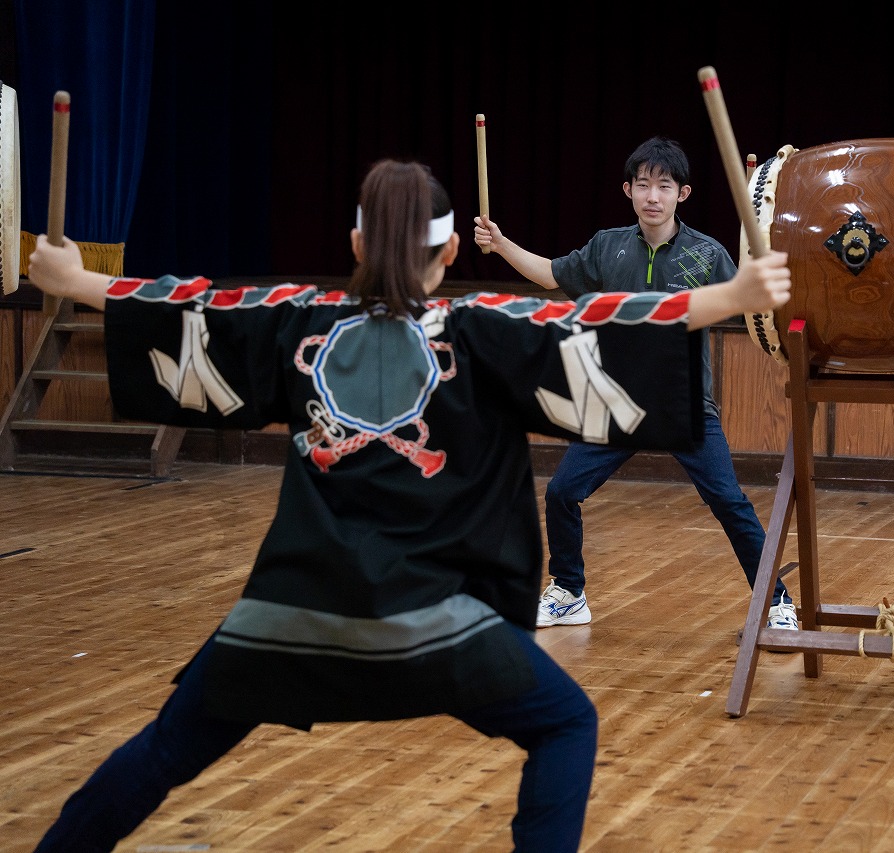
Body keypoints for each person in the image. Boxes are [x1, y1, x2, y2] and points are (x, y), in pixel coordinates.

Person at [25, 158, 792, 850]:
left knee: (165, 748)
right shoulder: (483, 332)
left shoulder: (300, 321)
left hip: (291, 619)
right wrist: (732, 295)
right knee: (566, 723)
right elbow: (599, 324)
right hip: (442, 627)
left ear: (356, 246)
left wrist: (75, 284)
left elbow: (199, 309)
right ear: (453, 251)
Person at [473, 136, 798, 633]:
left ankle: (775, 602)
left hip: (684, 405)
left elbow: (752, 307)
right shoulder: (608, 247)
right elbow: (548, 276)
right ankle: (568, 592)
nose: (653, 196)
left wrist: (759, 272)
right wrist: (500, 243)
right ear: (628, 190)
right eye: (643, 185)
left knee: (729, 503)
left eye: (663, 186)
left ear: (681, 195)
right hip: (617, 403)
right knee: (561, 492)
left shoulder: (707, 254)